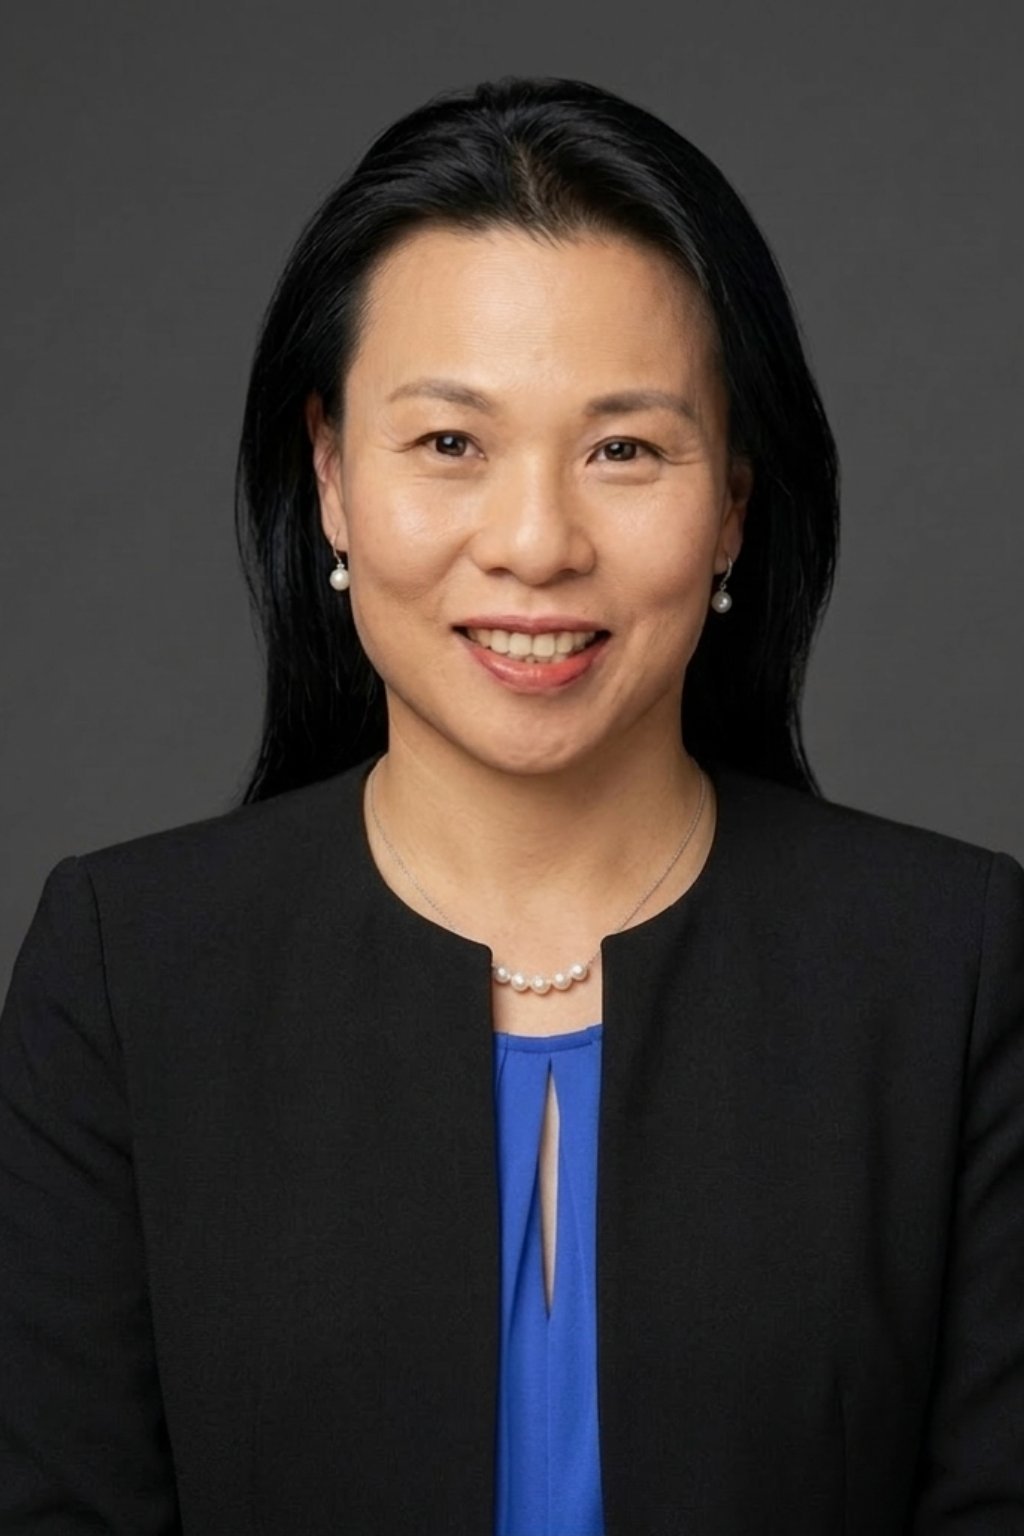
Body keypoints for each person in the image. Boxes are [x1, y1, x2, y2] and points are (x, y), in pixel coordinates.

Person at [1, 73, 1021, 1536]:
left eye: (624, 448)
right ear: (332, 477)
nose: (536, 544)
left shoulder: (957, 970)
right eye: (450, 445)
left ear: (733, 499)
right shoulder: (122, 972)